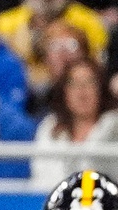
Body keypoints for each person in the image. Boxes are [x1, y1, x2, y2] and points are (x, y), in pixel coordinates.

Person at [33, 55, 113, 184]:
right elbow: (40, 175)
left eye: (90, 82)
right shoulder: (49, 127)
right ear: (64, 91)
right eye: (74, 84)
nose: (82, 91)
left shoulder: (114, 124)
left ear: (101, 89)